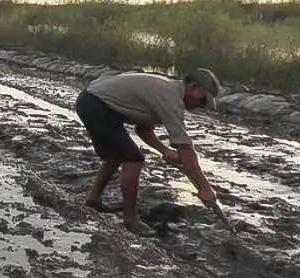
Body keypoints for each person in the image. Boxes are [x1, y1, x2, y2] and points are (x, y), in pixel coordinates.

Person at [74, 68, 222, 234]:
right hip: (96, 105)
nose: (200, 106)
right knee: (134, 159)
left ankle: (93, 201)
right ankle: (130, 220)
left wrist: (164, 150)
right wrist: (204, 188)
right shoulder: (171, 98)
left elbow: (144, 130)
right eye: (202, 100)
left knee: (115, 156)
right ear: (193, 87)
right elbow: (185, 148)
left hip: (92, 101)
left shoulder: (167, 90)